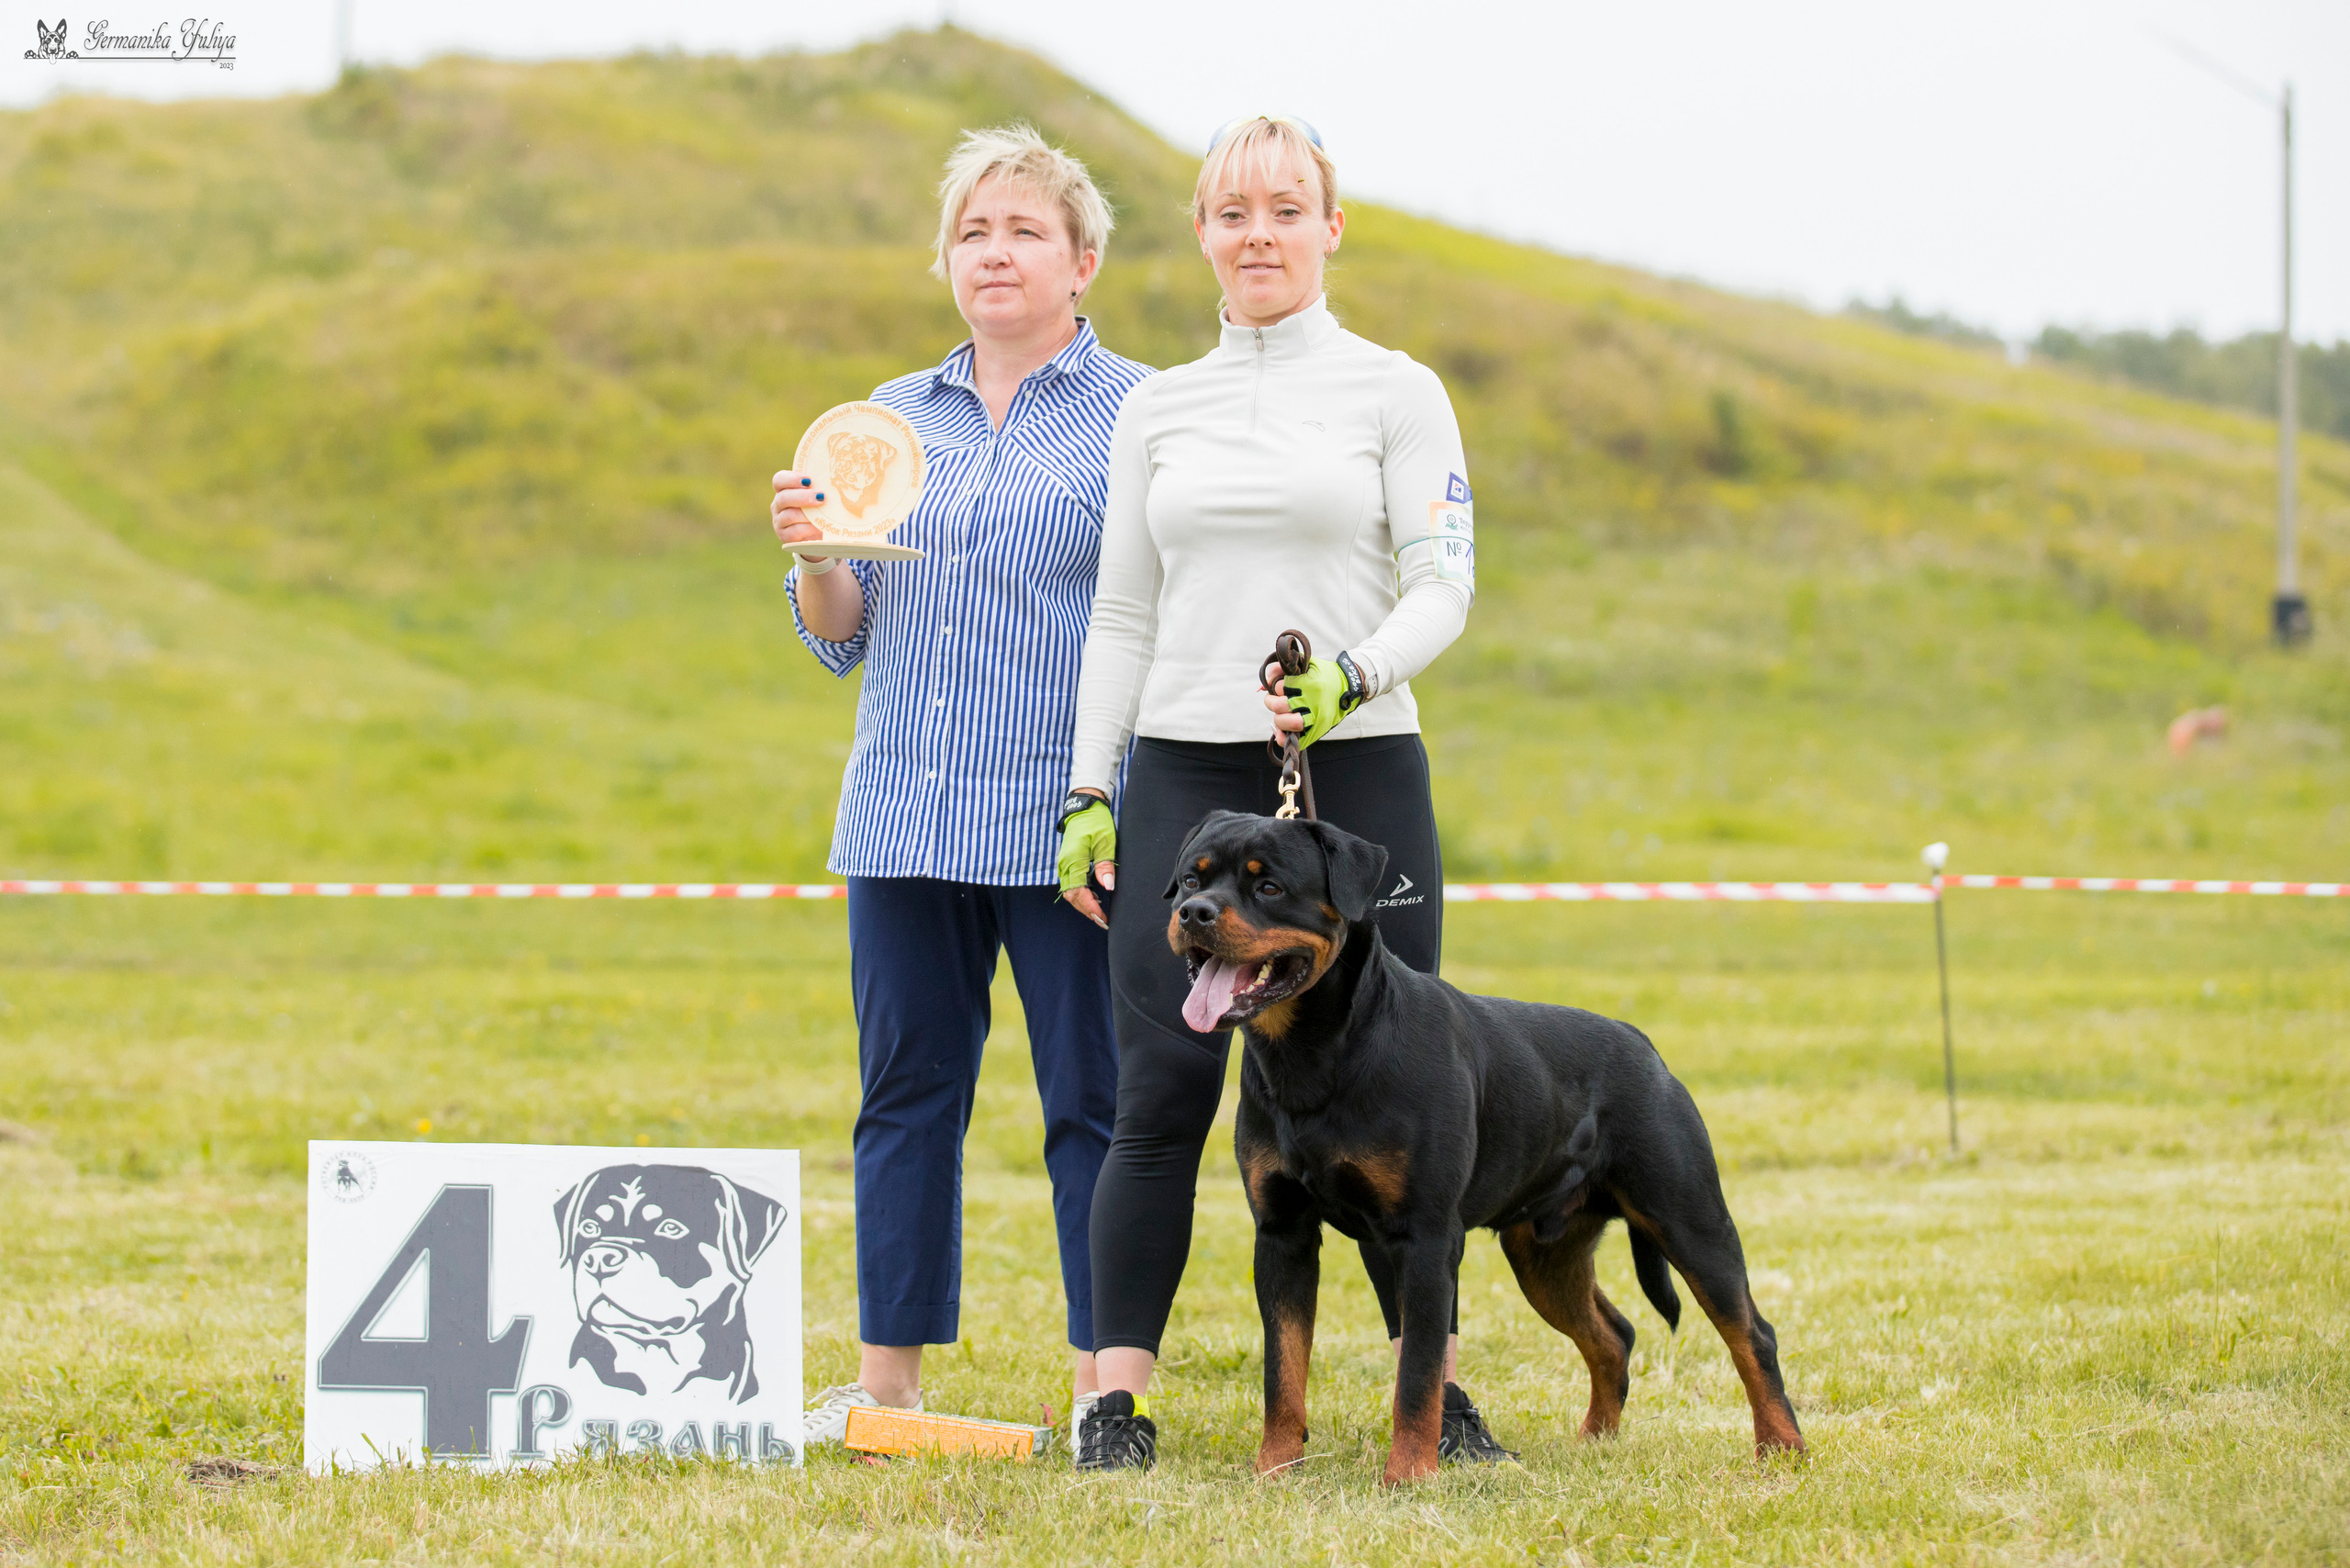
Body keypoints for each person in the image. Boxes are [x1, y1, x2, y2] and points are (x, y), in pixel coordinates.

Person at [1056, 116, 1510, 1472]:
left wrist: (1351, 680)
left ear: (1331, 227)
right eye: (1233, 211)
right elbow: (1121, 616)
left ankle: (1430, 1397)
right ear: (1200, 232)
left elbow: (1446, 583)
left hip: (1355, 765)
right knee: (1160, 1092)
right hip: (1187, 772)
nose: (1259, 232)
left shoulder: (1396, 389)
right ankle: (1113, 1406)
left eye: (1287, 208)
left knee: (1396, 1103)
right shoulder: (1158, 407)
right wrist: (1093, 787)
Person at [775, 125, 1152, 1450]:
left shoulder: (1140, 416)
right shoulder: (884, 418)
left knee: (1093, 1109)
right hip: (902, 817)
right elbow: (839, 627)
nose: (995, 253)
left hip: (1066, 823)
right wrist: (821, 551)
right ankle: (888, 1392)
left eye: (1024, 231)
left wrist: (1119, 802)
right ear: (947, 259)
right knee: (902, 1100)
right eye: (974, 233)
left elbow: (1162, 611)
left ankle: (1111, 1387)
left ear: (1082, 261)